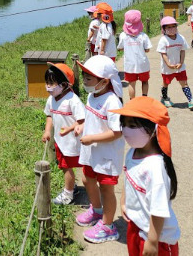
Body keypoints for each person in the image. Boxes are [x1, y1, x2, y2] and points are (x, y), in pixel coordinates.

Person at [110, 97, 181, 256]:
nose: (126, 130)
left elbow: (158, 209)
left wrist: (152, 241)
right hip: (136, 225)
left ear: (154, 130)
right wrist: (124, 201)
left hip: (158, 237)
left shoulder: (155, 167)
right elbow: (129, 178)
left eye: (133, 125)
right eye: (125, 125)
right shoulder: (132, 151)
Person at [75, 55, 125, 244]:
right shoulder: (91, 95)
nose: (85, 81)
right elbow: (91, 118)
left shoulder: (112, 102)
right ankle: (96, 210)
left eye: (89, 78)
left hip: (107, 154)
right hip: (92, 150)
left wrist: (92, 138)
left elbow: (117, 132)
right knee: (87, 179)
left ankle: (108, 225)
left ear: (104, 81)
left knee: (106, 188)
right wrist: (81, 127)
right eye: (84, 76)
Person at [41, 62, 86, 206]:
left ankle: (68, 195)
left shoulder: (73, 100)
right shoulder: (51, 99)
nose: (49, 87)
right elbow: (49, 116)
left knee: (70, 168)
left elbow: (82, 120)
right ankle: (71, 188)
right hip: (60, 141)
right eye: (47, 82)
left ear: (65, 84)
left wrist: (69, 128)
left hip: (73, 142)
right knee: (64, 167)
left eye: (52, 83)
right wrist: (48, 131)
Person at [156, 17, 193, 110]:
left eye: (174, 26)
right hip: (167, 67)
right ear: (164, 29)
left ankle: (191, 100)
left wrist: (181, 62)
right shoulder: (163, 40)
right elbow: (163, 53)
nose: (172, 29)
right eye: (168, 27)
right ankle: (164, 98)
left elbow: (182, 51)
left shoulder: (181, 38)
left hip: (179, 66)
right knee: (165, 83)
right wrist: (168, 64)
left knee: (184, 83)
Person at [117, 10, 151, 98]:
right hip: (142, 64)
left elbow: (120, 48)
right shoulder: (143, 36)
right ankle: (144, 98)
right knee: (145, 81)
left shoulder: (123, 36)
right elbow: (147, 50)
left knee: (131, 84)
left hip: (129, 65)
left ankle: (132, 101)